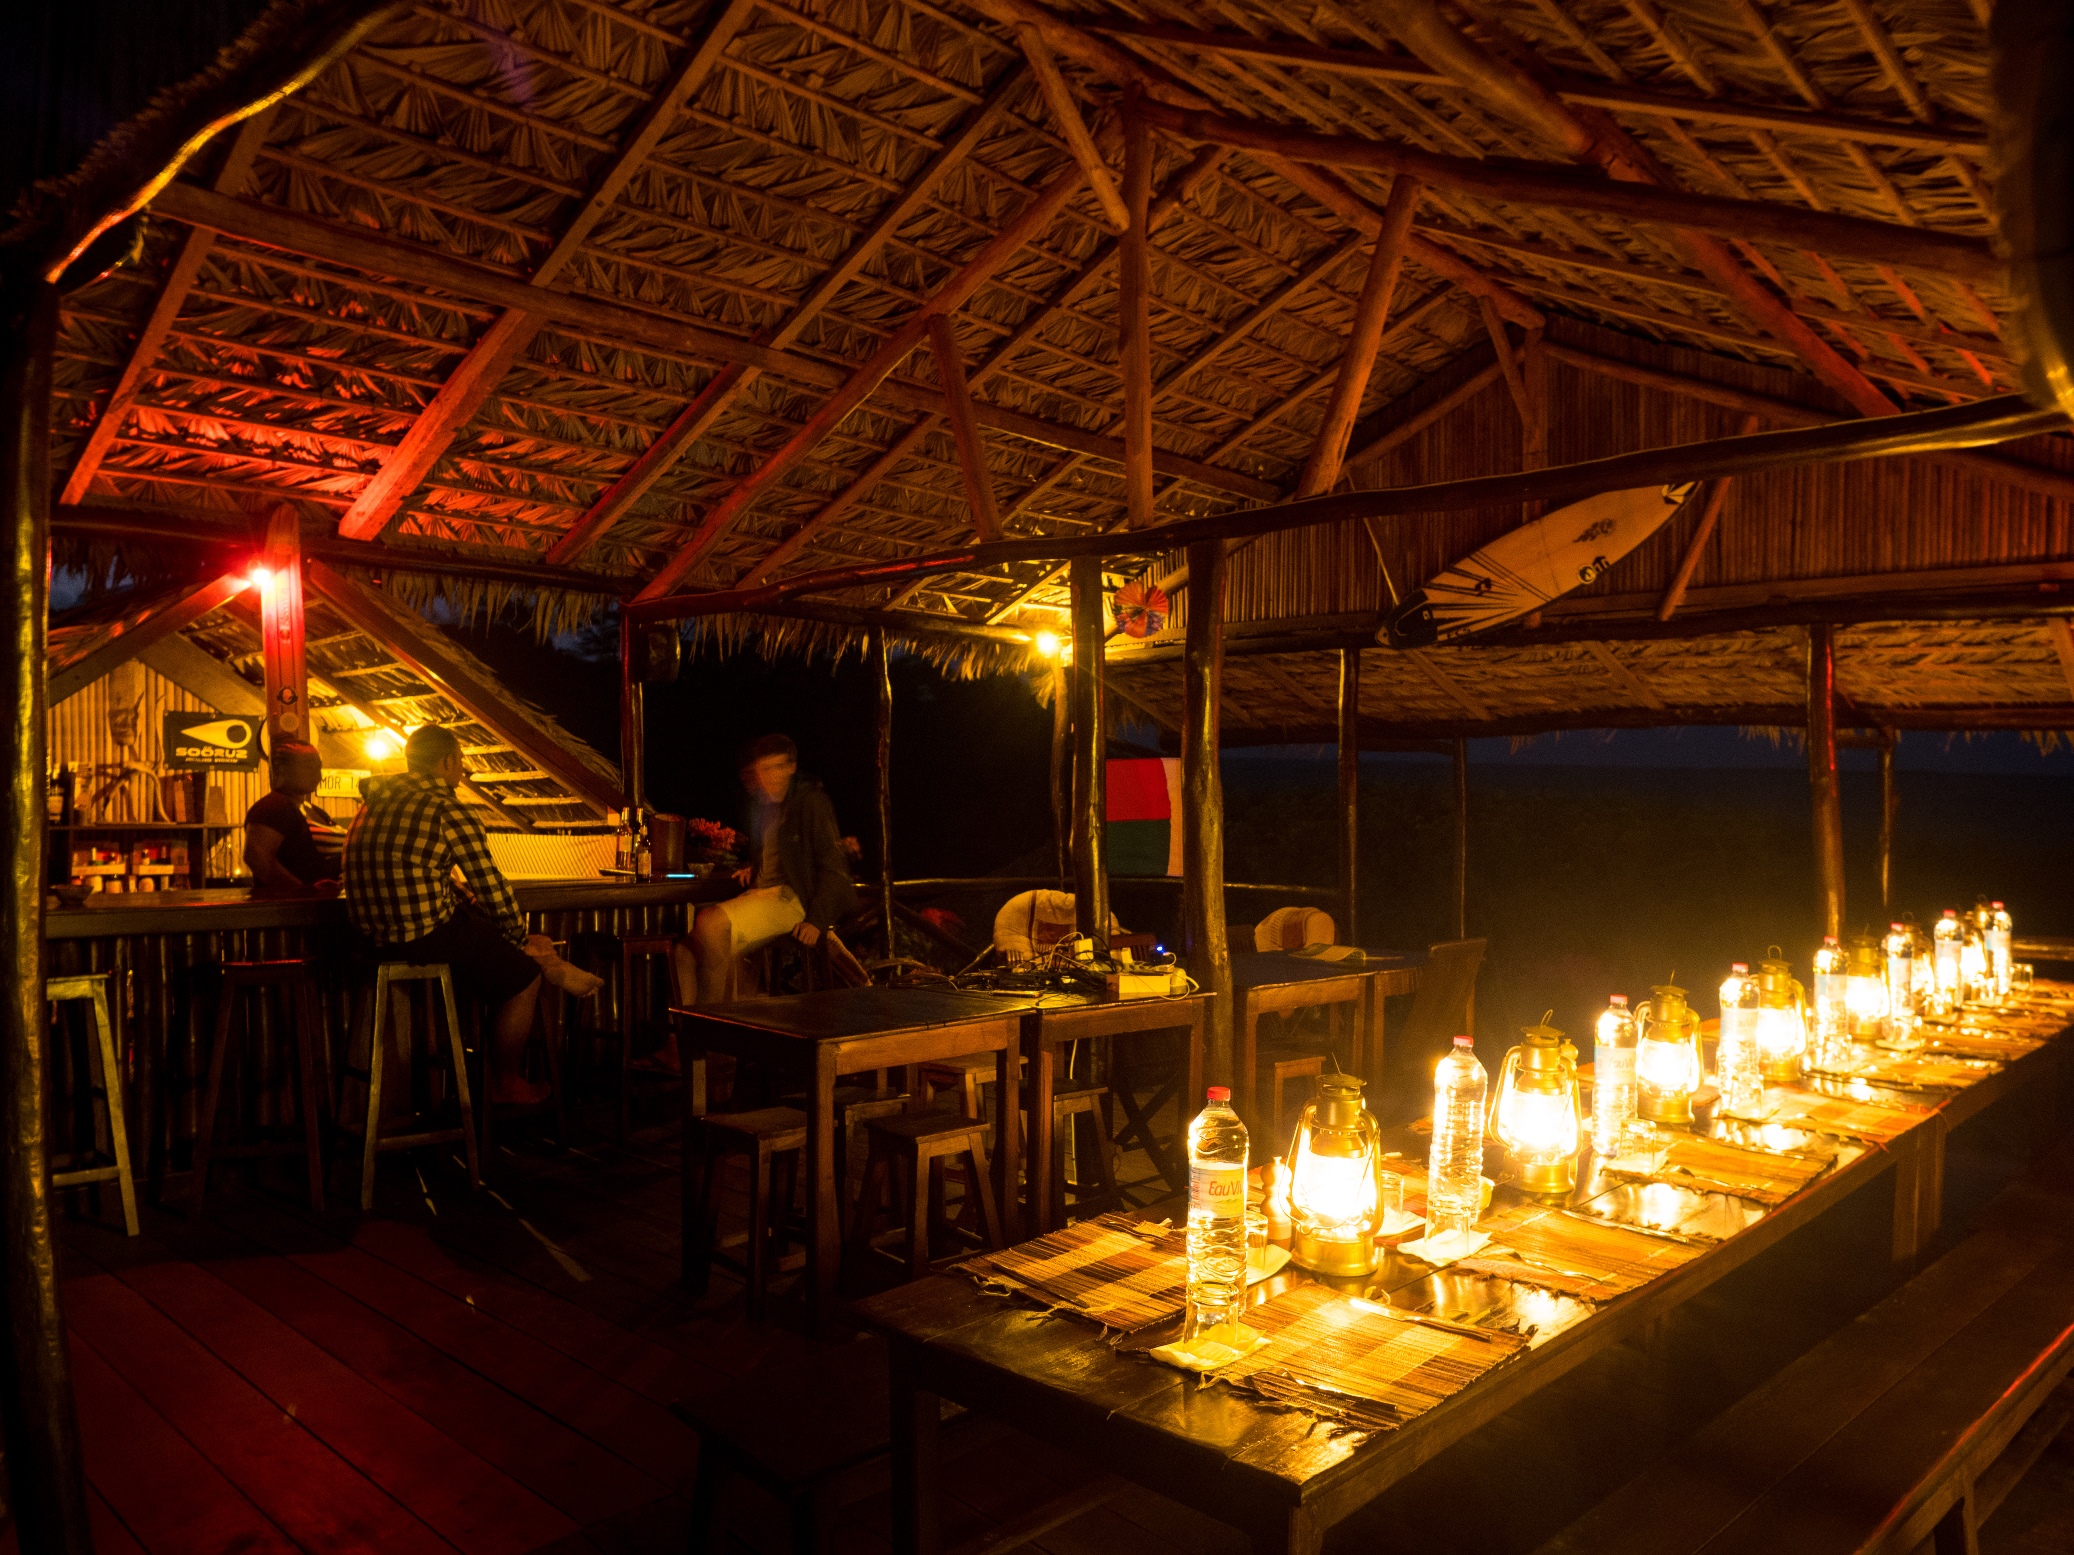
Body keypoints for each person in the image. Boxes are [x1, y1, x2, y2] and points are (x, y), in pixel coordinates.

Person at [342, 725, 549, 1106]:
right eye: (461, 762)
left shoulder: (372, 803)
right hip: (422, 937)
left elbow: (406, 868)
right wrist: (519, 936)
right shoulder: (446, 806)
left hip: (366, 943)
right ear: (450, 760)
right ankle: (505, 1082)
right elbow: (489, 883)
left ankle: (442, 1090)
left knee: (483, 943)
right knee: (525, 976)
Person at [670, 734, 857, 1014]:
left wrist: (816, 921)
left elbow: (834, 869)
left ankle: (716, 1036)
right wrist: (754, 868)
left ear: (792, 767)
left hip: (794, 899)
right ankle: (685, 1044)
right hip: (766, 893)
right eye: (764, 770)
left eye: (777, 767)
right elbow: (777, 854)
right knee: (683, 955)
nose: (769, 777)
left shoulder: (810, 803)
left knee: (709, 923)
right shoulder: (764, 806)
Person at [243, 742, 343, 889]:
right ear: (283, 770)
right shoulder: (274, 807)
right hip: (294, 908)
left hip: (321, 903)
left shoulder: (313, 810)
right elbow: (257, 857)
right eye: (308, 766)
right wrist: (302, 891)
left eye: (319, 767)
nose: (318, 775)